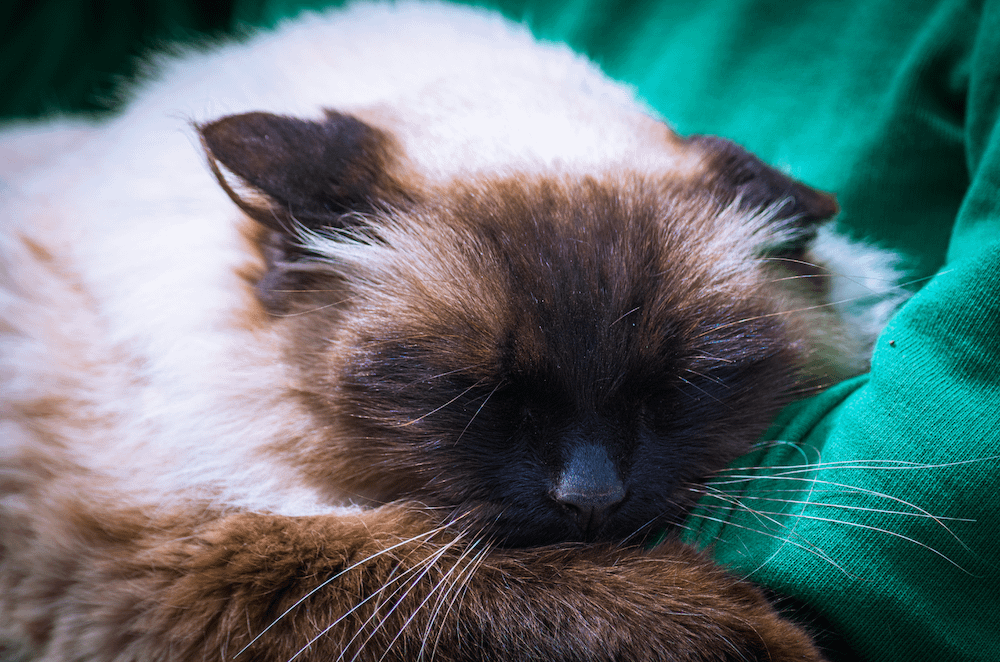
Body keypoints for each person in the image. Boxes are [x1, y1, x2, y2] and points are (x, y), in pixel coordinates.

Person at [5, 0, 999, 659]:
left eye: (684, 385)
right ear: (287, 270)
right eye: (476, 397)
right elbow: (142, 587)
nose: (591, 489)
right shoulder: (94, 298)